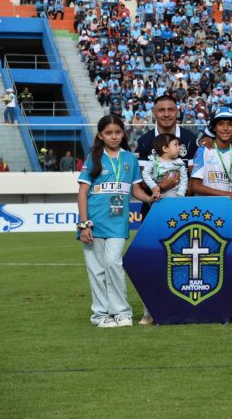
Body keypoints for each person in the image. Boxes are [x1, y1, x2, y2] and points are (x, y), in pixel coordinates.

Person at [76, 114, 150, 327]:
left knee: (113, 263)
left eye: (117, 132)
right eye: (108, 133)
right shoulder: (93, 158)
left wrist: (149, 198)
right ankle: (100, 315)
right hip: (94, 223)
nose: (114, 136)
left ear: (123, 133)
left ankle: (121, 312)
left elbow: (135, 189)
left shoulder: (130, 159)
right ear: (100, 135)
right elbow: (82, 193)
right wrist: (84, 224)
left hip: (118, 223)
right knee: (97, 270)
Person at [133, 95, 199, 210]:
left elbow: (194, 179)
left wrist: (178, 199)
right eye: (161, 110)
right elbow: (143, 181)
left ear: (177, 112)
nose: (167, 114)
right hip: (153, 207)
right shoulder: (144, 141)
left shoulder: (190, 139)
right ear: (154, 113)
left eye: (171, 110)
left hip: (183, 208)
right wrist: (161, 186)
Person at [191, 108, 232, 201]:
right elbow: (195, 186)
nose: (225, 128)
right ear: (214, 128)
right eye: (220, 124)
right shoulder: (203, 150)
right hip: (206, 207)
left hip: (230, 207)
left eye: (230, 124)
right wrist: (228, 195)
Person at [142, 133, 189, 199]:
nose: (179, 147)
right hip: (158, 197)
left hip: (175, 197)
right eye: (176, 145)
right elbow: (145, 174)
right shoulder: (153, 160)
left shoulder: (179, 163)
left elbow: (184, 179)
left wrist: (180, 194)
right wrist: (154, 186)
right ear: (165, 148)